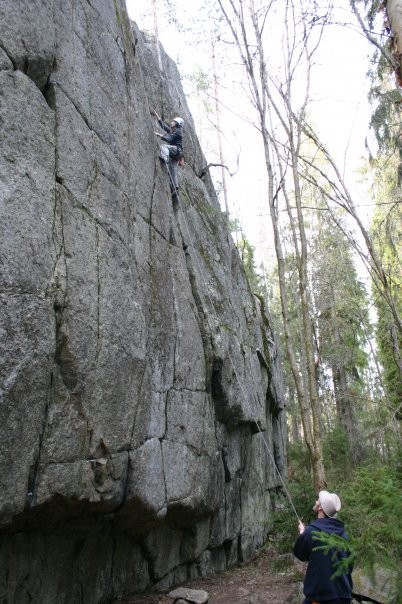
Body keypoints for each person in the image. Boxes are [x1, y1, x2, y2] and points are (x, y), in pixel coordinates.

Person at [293, 490, 353, 604]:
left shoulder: (311, 532)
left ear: (320, 507)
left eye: (318, 500)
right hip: (344, 596)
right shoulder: (344, 536)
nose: (316, 501)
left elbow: (300, 554)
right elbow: (349, 565)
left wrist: (302, 534)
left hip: (321, 598)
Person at [151, 109, 184, 198]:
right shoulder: (174, 131)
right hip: (177, 154)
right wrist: (157, 116)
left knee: (164, 147)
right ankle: (175, 188)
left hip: (176, 150)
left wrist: (160, 135)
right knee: (172, 169)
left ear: (177, 124)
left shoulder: (177, 131)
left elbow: (169, 140)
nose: (171, 122)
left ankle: (165, 159)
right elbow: (164, 127)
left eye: (173, 122)